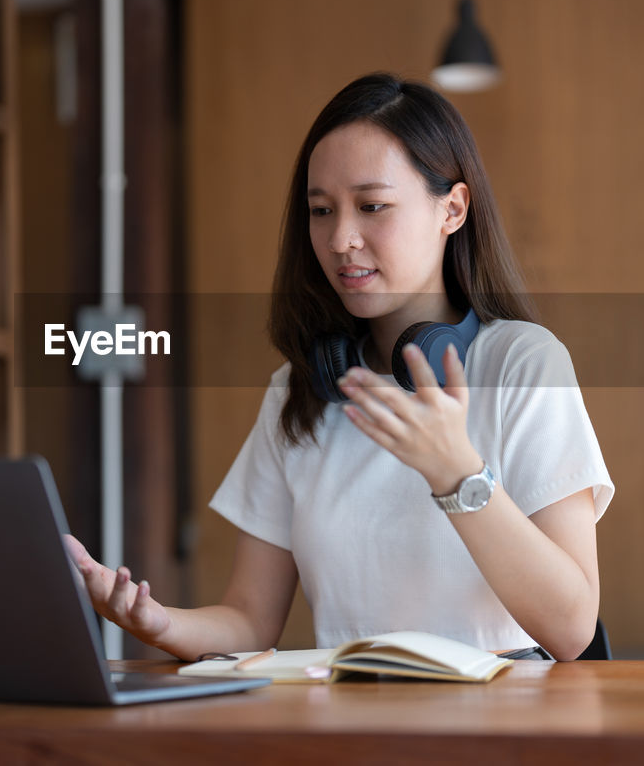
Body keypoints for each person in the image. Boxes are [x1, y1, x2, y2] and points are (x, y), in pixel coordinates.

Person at [65, 73, 615, 661]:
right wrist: (156, 623)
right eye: (321, 210)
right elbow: (250, 619)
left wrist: (457, 474)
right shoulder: (297, 390)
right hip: (350, 728)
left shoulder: (523, 364)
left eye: (372, 206)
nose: (340, 238)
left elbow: (572, 628)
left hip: (502, 733)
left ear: (451, 209)